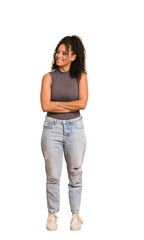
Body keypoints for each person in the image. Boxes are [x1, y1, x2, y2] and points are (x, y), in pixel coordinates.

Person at [40, 35, 88, 231]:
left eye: (64, 53)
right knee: (52, 176)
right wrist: (71, 105)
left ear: (74, 56)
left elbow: (83, 104)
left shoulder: (81, 77)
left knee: (75, 173)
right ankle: (52, 214)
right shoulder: (48, 77)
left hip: (75, 129)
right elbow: (45, 105)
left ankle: (76, 215)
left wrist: (56, 104)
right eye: (57, 52)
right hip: (51, 129)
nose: (58, 56)